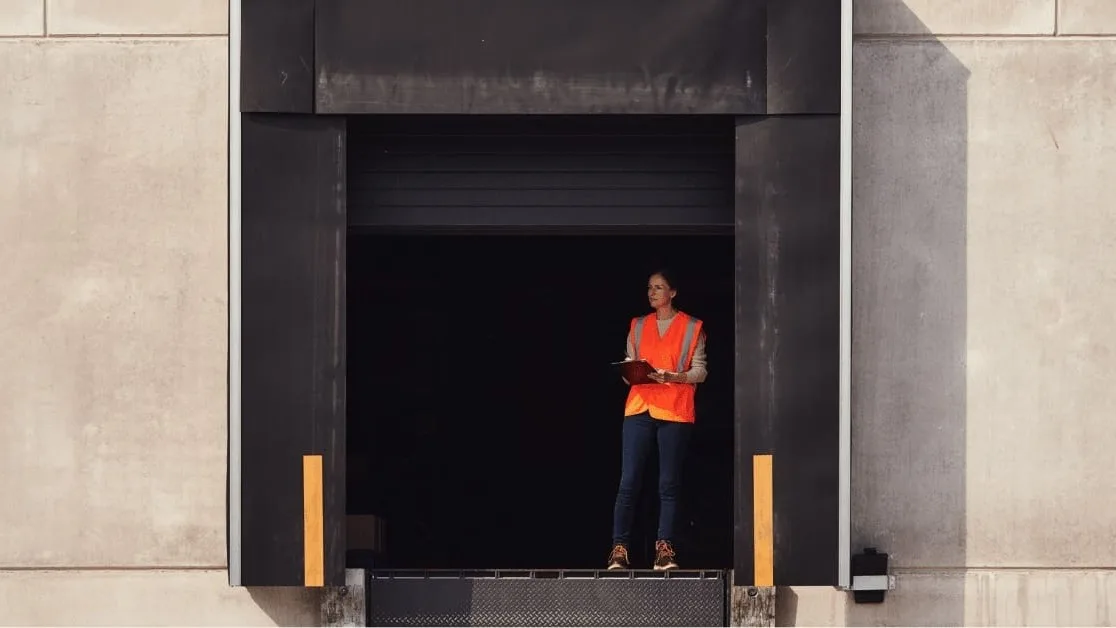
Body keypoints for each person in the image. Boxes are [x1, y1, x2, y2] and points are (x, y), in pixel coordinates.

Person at [608, 269, 707, 571]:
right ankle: (618, 549)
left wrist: (674, 376)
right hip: (640, 408)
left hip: (674, 410)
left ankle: (664, 550)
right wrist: (631, 372)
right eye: (649, 287)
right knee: (629, 481)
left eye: (659, 287)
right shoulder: (637, 326)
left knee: (668, 484)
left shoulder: (692, 327)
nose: (652, 293)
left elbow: (700, 371)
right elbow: (629, 363)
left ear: (673, 292)